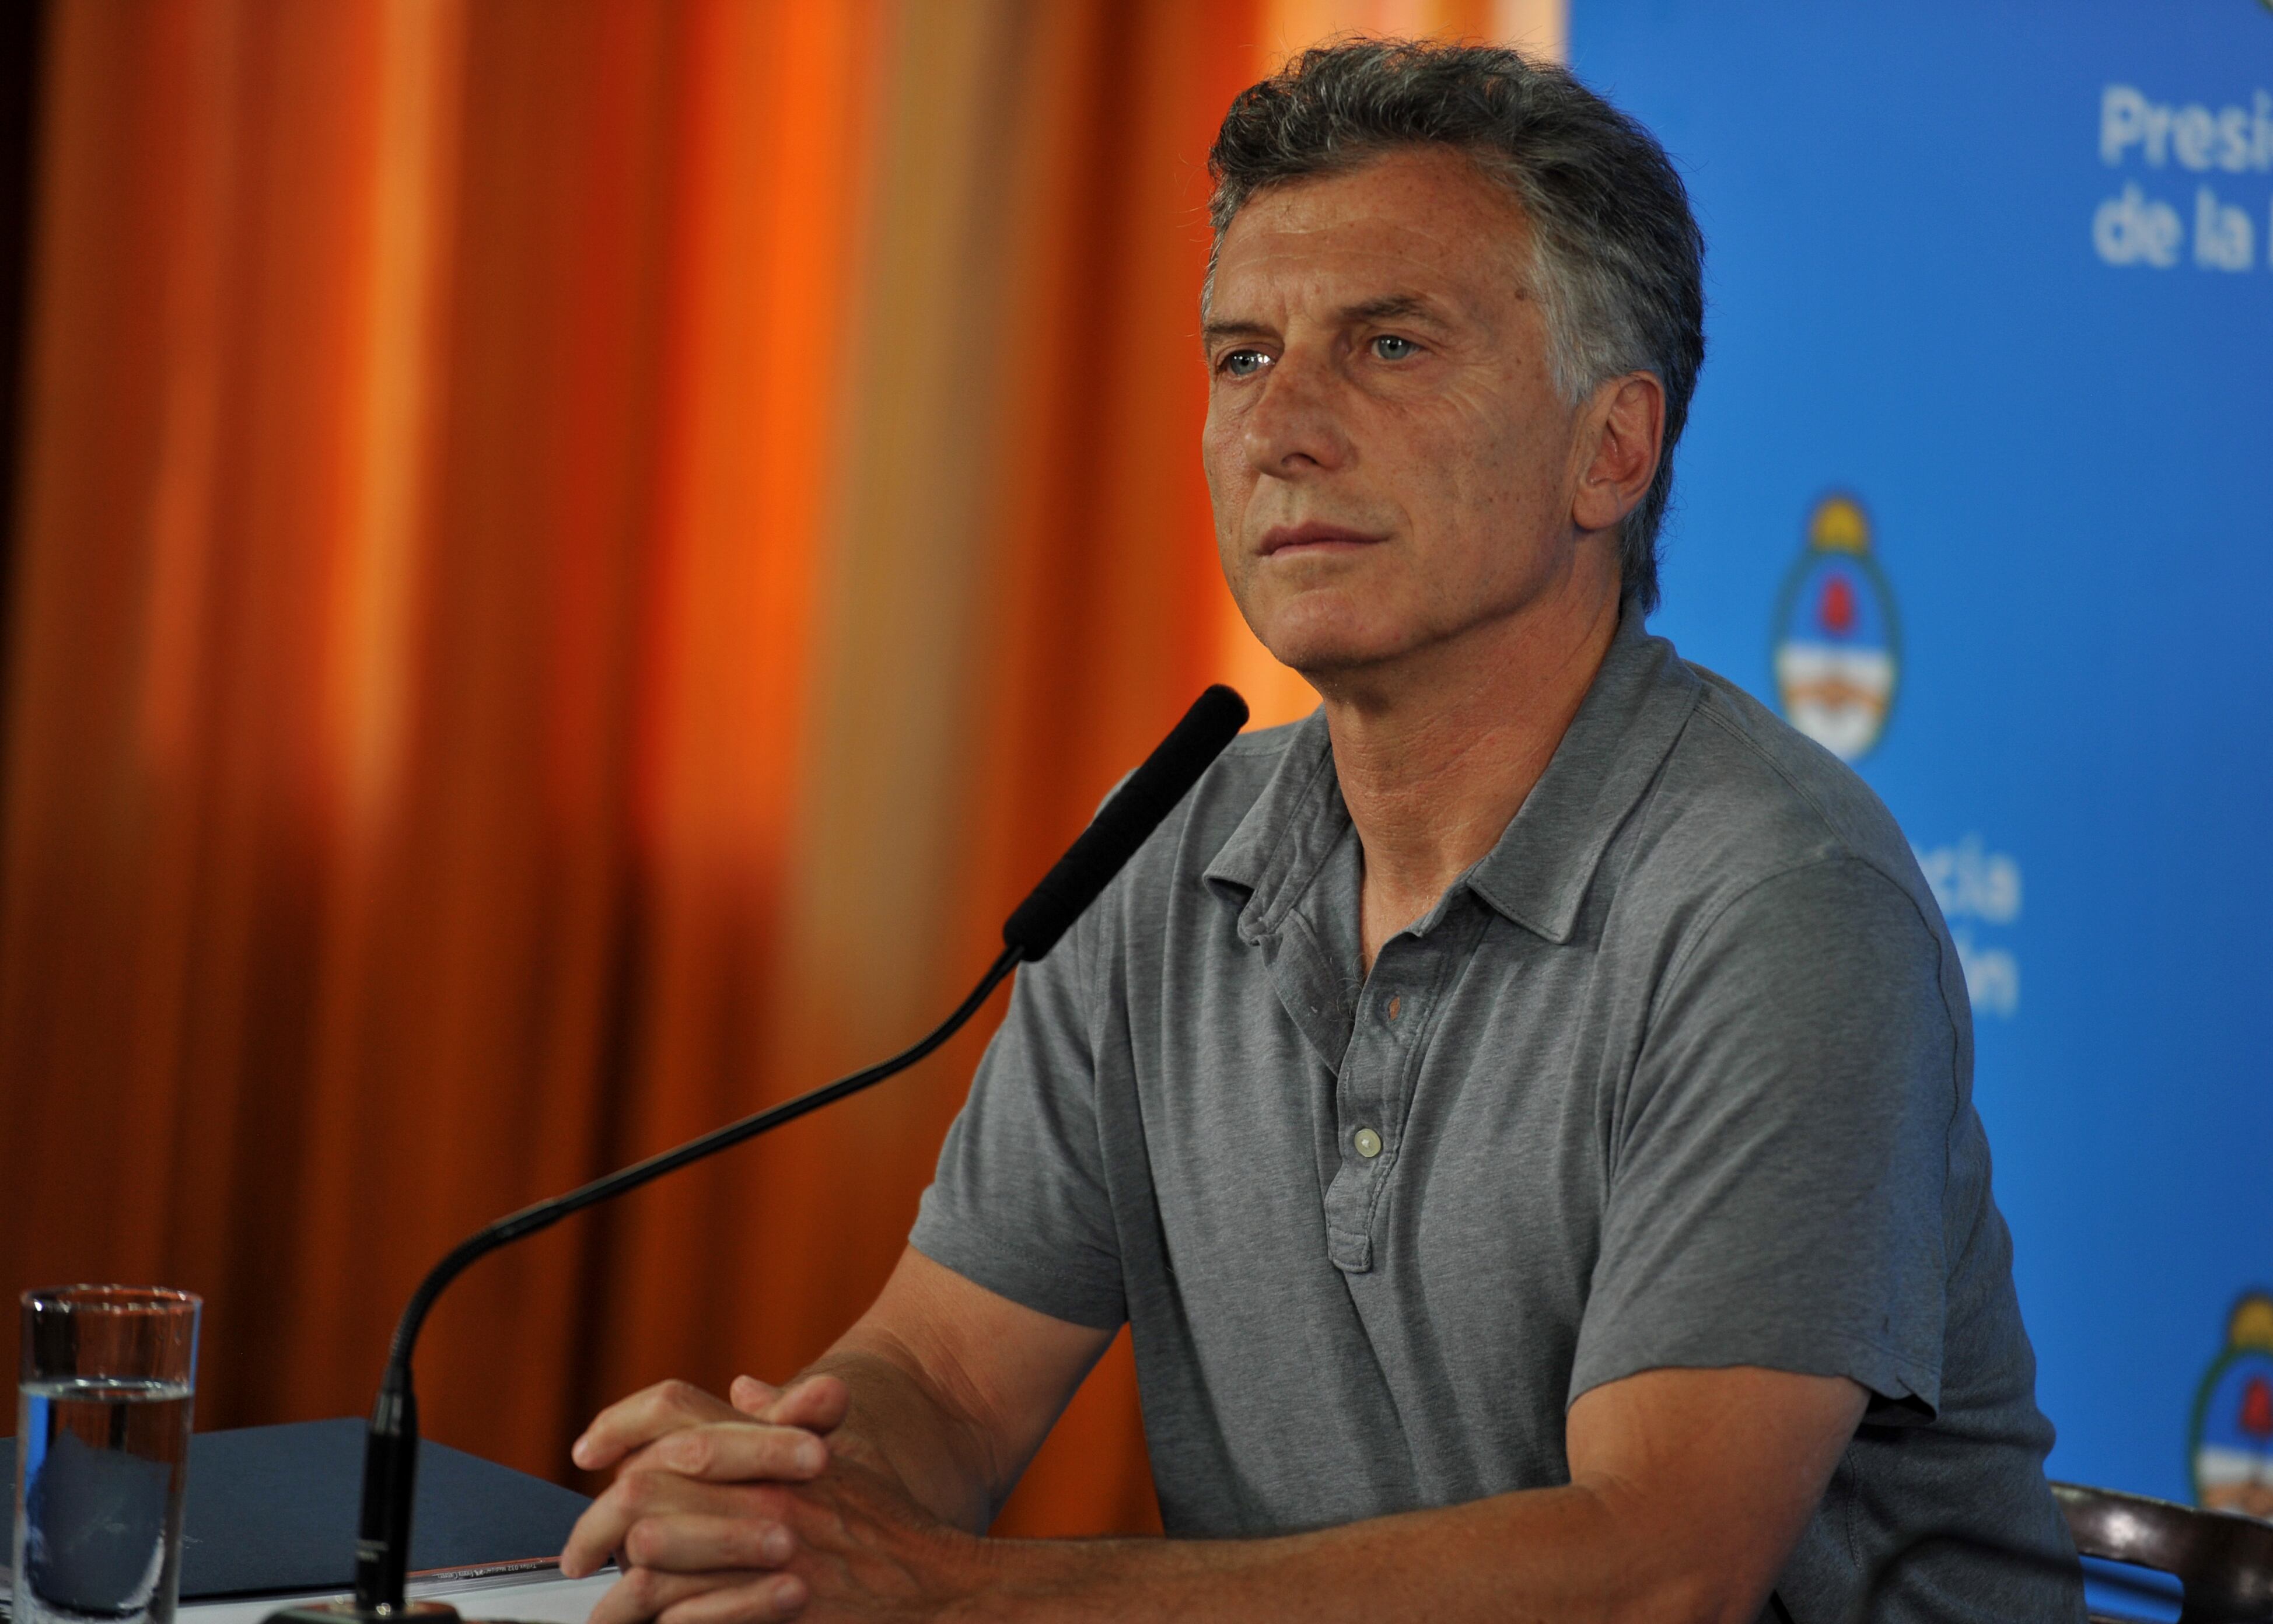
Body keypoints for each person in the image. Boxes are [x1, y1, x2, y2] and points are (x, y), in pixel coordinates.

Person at [559, 40, 2083, 1623]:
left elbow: (1657, 1569)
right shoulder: (1162, 853)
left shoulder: (1775, 899)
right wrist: (791, 1501)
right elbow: (944, 1373)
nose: (1280, 426)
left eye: (1390, 346)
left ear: (1611, 450)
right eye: (1241, 357)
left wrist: (951, 1593)